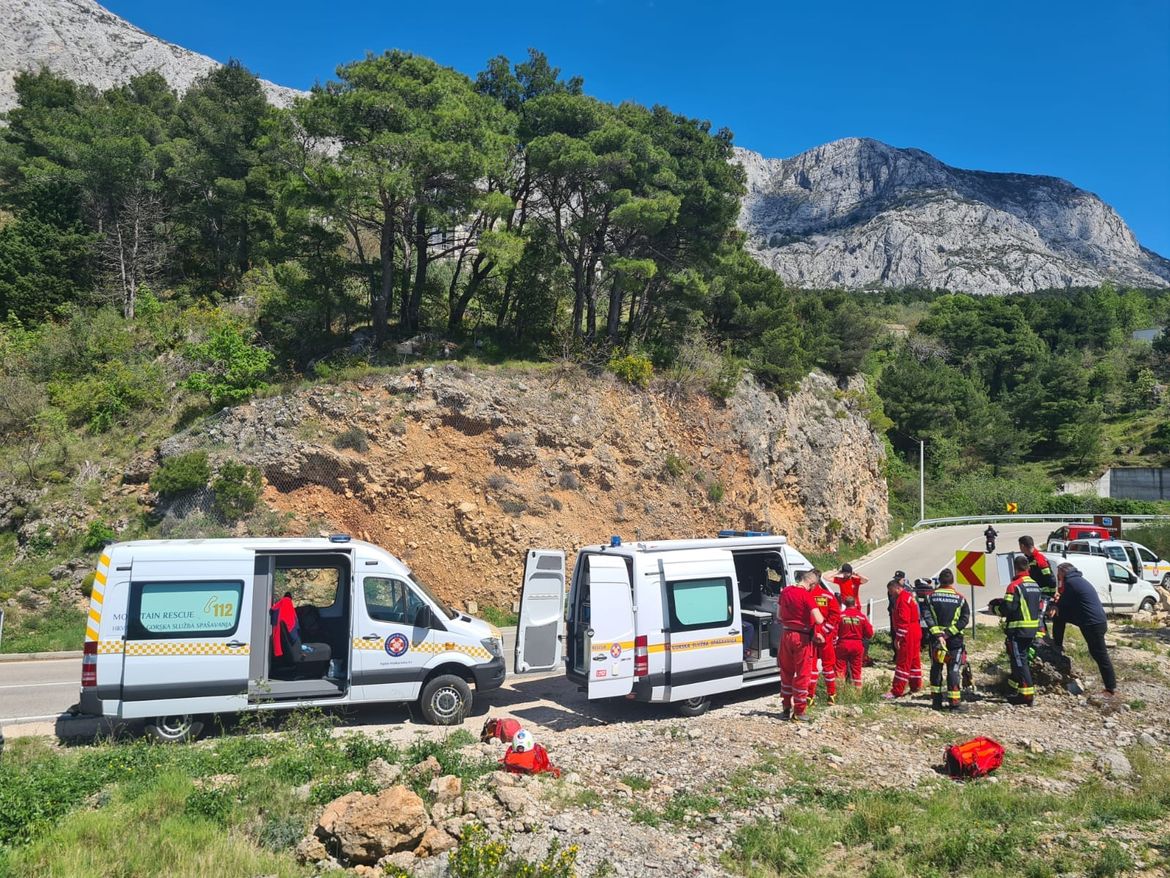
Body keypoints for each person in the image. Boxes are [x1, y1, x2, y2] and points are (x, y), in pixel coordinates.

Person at [1052, 562, 1118, 695]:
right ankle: (1057, 645)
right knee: (1060, 617)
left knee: (1100, 655)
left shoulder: (1070, 583)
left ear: (1063, 572)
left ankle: (1111, 687)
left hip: (1092, 623)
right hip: (1092, 620)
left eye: (1059, 574)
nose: (1058, 577)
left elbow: (1063, 604)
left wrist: (1055, 604)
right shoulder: (1078, 580)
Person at [991, 554, 1042, 706]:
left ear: (1015, 567)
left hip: (1018, 629)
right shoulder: (1035, 584)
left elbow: (1008, 608)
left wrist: (995, 608)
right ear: (1028, 567)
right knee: (1021, 659)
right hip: (1032, 629)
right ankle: (1014, 690)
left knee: (1019, 661)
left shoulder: (1014, 586)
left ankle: (1027, 694)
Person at [778, 569, 826, 722]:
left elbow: (779, 615)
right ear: (811, 583)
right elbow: (819, 620)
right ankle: (799, 711)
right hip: (801, 638)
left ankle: (785, 707)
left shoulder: (785, 591)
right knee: (802, 674)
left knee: (786, 672)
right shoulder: (807, 595)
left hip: (786, 635)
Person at [922, 569, 971, 711]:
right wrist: (948, 633)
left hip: (936, 640)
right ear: (952, 581)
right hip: (954, 639)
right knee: (953, 669)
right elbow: (964, 619)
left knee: (936, 668)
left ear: (940, 581)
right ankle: (954, 703)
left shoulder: (930, 597)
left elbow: (927, 616)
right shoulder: (960, 598)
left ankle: (936, 702)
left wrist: (938, 635)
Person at [883, 577, 922, 699]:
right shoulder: (908, 596)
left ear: (897, 588)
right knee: (914, 660)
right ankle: (915, 685)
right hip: (916, 629)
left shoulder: (902, 600)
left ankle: (897, 690)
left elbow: (903, 621)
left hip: (909, 632)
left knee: (903, 661)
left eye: (891, 590)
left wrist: (898, 638)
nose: (890, 593)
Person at [807, 573, 841, 706]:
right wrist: (825, 632)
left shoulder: (807, 595)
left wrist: (816, 632)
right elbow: (835, 616)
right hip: (826, 637)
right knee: (828, 667)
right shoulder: (828, 596)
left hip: (812, 636)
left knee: (812, 667)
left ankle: (810, 696)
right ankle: (831, 695)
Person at [835, 595, 873, 691]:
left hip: (843, 644)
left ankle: (839, 692)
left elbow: (834, 631)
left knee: (840, 668)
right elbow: (869, 634)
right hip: (857, 645)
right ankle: (857, 693)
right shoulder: (862, 617)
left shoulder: (840, 616)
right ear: (855, 604)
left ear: (844, 604)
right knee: (856, 670)